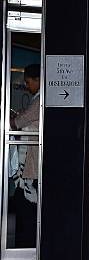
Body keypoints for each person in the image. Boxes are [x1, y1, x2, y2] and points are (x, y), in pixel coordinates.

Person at [9, 64, 40, 248]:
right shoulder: (37, 100)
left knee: (24, 207)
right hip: (31, 166)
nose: (27, 86)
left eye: (28, 82)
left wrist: (13, 118)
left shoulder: (39, 101)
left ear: (37, 80)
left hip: (32, 166)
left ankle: (24, 249)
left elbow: (19, 122)